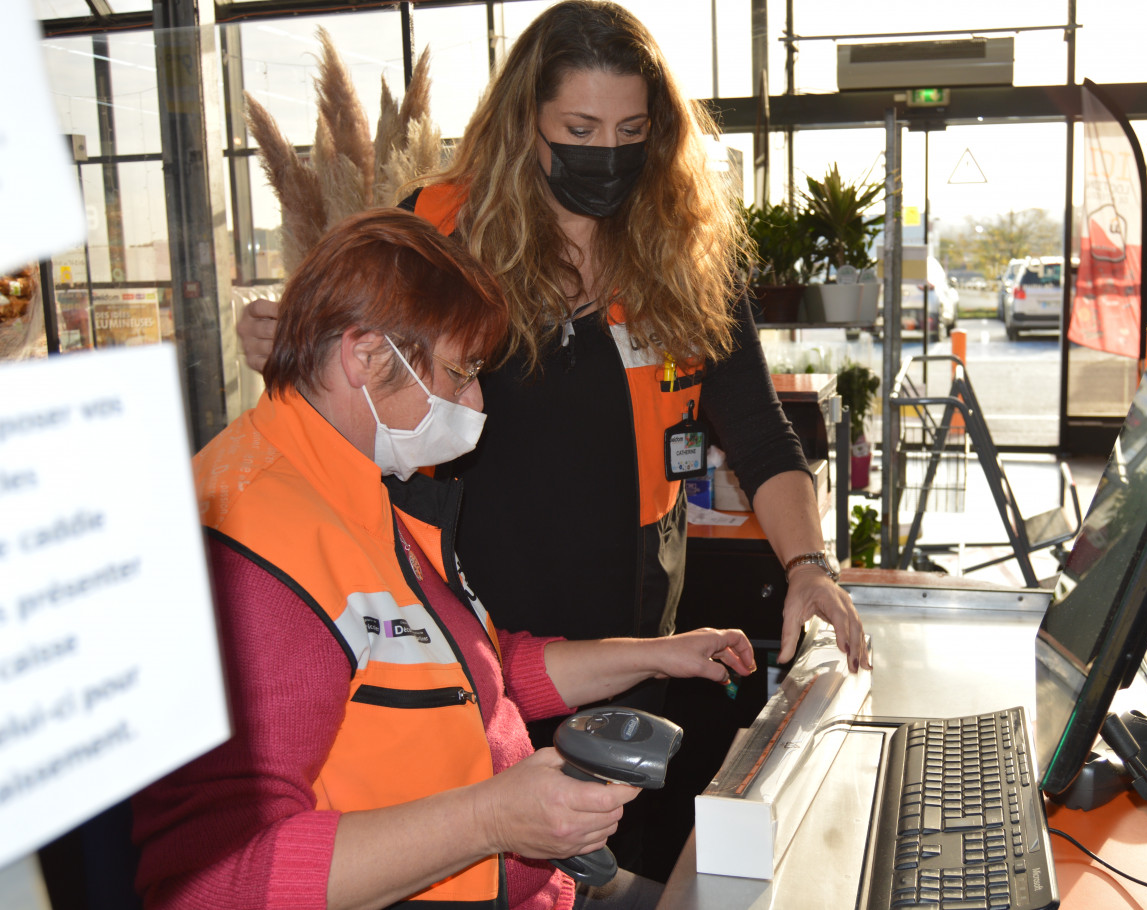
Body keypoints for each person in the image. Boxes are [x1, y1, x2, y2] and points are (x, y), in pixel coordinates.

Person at [236, 0, 870, 875]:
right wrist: (285, 335)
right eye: (578, 127)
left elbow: (760, 433)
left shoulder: (686, 250)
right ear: (522, 122)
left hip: (631, 639)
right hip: (473, 636)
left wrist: (809, 566)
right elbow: (345, 359)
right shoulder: (441, 225)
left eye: (630, 131)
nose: (605, 153)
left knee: (626, 856)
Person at [133, 209, 756, 910]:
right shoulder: (249, 550)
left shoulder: (355, 482)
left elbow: (479, 673)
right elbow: (215, 885)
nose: (475, 400)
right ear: (364, 357)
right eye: (459, 373)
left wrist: (657, 653)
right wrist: (494, 817)